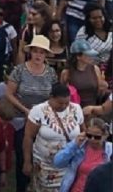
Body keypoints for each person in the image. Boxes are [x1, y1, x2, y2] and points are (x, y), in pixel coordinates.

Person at [7, 35, 60, 192]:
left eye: (42, 52)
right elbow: (9, 93)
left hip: (44, 120)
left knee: (44, 156)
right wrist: (25, 110)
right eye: (35, 51)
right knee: (23, 157)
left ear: (45, 55)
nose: (38, 55)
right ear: (30, 52)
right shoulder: (19, 70)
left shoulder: (51, 73)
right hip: (22, 118)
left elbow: (54, 96)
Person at [23, 83, 85, 192]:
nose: (64, 106)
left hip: (69, 163)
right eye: (60, 103)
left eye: (67, 103)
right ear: (51, 97)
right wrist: (27, 161)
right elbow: (28, 137)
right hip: (45, 165)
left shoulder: (76, 109)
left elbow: (83, 132)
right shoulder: (38, 111)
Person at [52, 117, 112, 192]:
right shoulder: (79, 146)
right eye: (89, 136)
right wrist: (74, 145)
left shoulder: (110, 150)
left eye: (97, 137)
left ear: (105, 135)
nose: (92, 139)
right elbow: (58, 162)